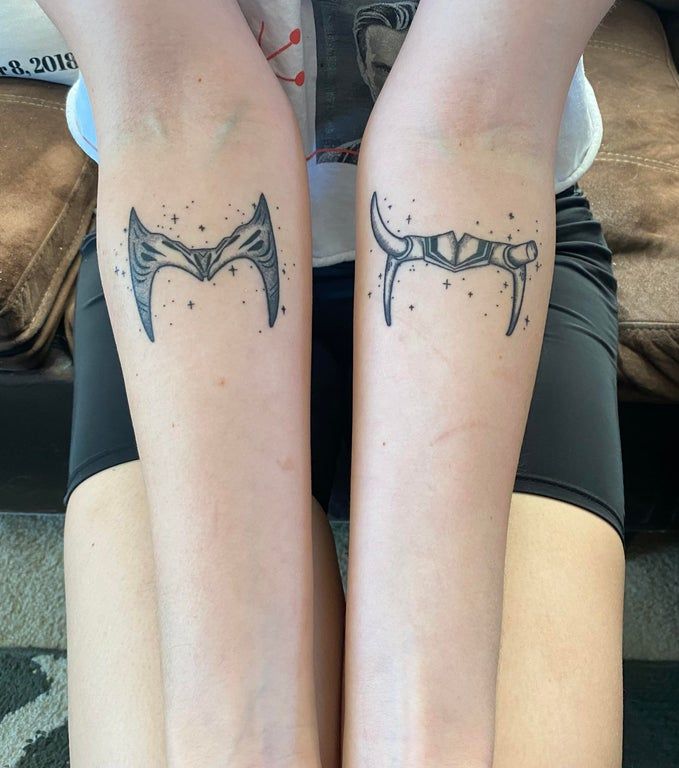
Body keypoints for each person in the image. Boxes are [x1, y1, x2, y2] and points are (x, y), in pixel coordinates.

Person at [37, 1, 625, 766]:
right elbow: (180, 115)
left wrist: (418, 734)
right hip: (183, 247)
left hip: (486, 240)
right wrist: (239, 733)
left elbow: (474, 124)